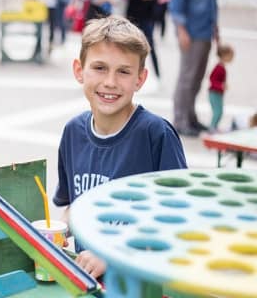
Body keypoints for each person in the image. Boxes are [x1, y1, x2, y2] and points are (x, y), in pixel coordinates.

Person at [53, 15, 187, 278]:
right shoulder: (72, 133)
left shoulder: (156, 134)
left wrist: (112, 252)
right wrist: (56, 230)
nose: (110, 82)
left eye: (123, 71)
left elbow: (177, 220)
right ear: (79, 70)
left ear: (140, 78)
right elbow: (75, 207)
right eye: (100, 68)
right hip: (89, 280)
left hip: (141, 283)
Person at [170, 0, 218, 137]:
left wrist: (216, 26)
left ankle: (191, 117)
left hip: (206, 30)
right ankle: (180, 120)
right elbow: (177, 3)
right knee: (187, 77)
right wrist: (181, 30)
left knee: (198, 77)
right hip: (190, 32)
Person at [126, 0, 160, 79]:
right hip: (134, 19)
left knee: (150, 46)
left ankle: (158, 75)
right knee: (130, 47)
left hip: (147, 19)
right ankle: (130, 74)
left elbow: (155, 0)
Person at [208, 44, 234, 132]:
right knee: (218, 111)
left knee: (219, 111)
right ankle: (212, 127)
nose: (232, 58)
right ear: (224, 56)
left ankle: (214, 126)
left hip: (218, 93)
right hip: (214, 93)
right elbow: (212, 79)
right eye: (230, 56)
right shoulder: (219, 68)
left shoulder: (222, 67)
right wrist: (221, 85)